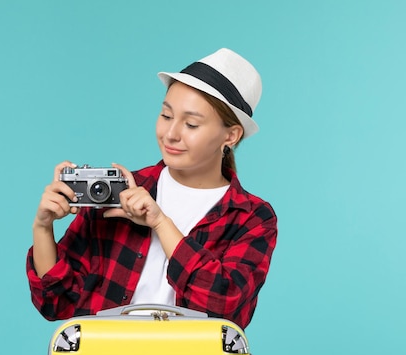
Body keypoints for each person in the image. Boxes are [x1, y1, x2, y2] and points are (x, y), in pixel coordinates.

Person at [26, 48, 277, 329]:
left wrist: (159, 222)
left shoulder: (251, 217)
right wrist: (43, 228)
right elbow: (57, 301)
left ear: (230, 135)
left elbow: (221, 310)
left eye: (191, 123)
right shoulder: (118, 192)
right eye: (166, 115)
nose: (171, 134)